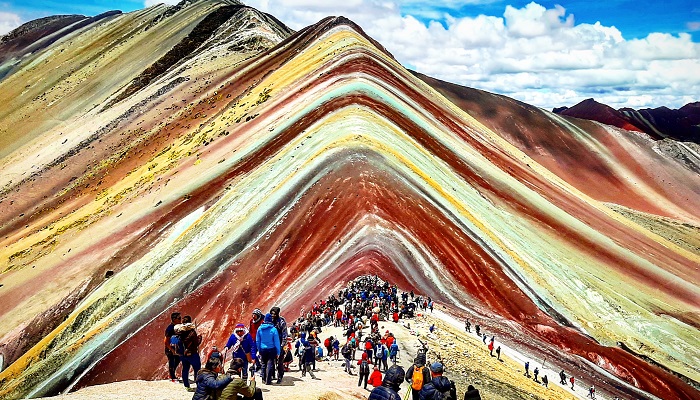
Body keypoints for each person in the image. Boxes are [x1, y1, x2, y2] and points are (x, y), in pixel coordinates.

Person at [178, 316, 202, 392]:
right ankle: (198, 385)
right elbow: (196, 344)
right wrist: (200, 339)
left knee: (185, 369)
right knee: (197, 370)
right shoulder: (192, 332)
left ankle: (187, 386)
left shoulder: (180, 332)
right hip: (193, 354)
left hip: (183, 355)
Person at [255, 313, 280, 385]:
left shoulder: (260, 329)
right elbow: (277, 342)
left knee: (263, 364)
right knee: (270, 364)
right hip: (271, 349)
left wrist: (259, 349)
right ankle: (268, 380)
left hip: (262, 349)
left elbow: (257, 340)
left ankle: (263, 379)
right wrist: (278, 352)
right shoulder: (273, 329)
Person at [165, 312, 182, 382]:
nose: (180, 319)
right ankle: (173, 378)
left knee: (178, 360)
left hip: (176, 348)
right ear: (174, 319)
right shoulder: (170, 329)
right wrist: (171, 350)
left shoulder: (177, 327)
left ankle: (172, 375)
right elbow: (166, 341)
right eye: (179, 318)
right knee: (172, 362)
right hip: (170, 349)